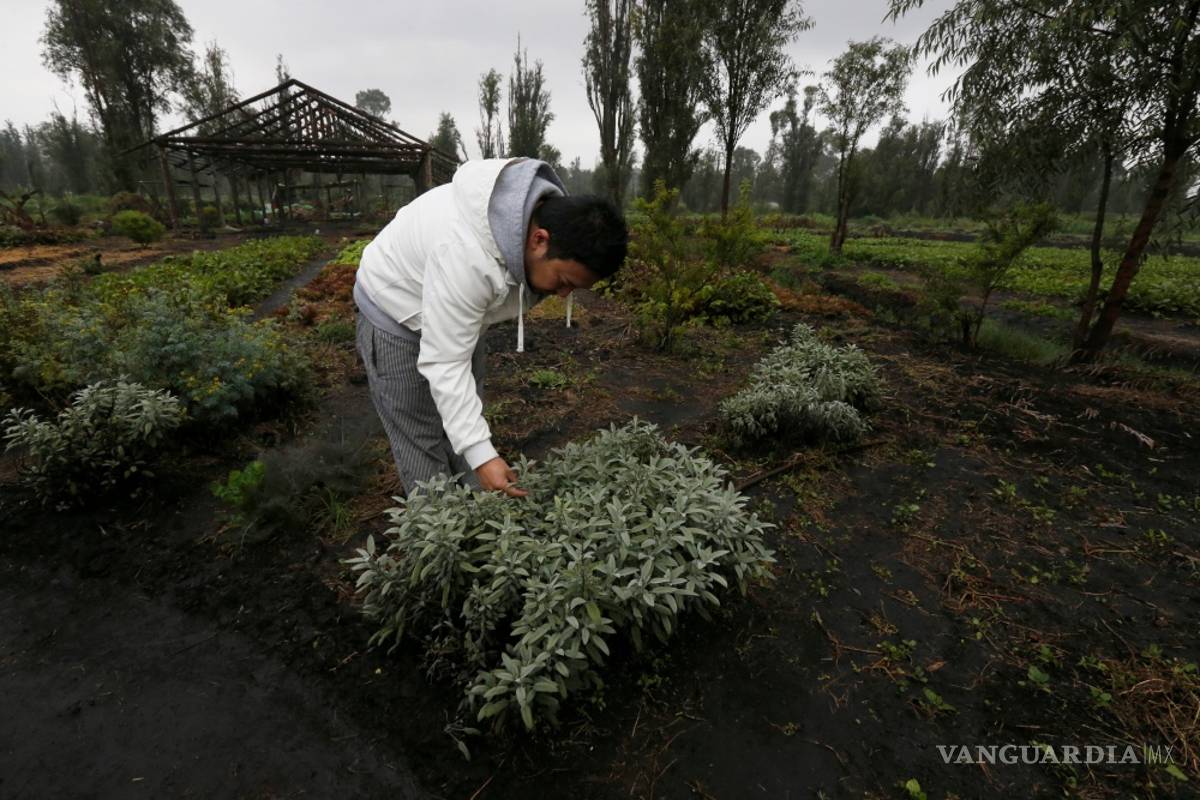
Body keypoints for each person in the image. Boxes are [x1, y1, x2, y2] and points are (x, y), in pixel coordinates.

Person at [353, 156, 627, 497]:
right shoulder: (468, 256)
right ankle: (441, 533)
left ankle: (476, 509)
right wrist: (484, 457)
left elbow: (455, 356)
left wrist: (480, 453)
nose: (564, 293)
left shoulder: (539, 226)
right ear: (539, 240)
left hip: (451, 303)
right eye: (564, 280)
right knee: (421, 436)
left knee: (464, 419)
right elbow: (445, 362)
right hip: (395, 309)